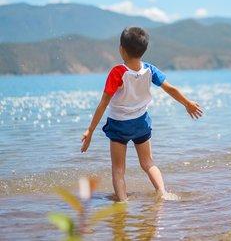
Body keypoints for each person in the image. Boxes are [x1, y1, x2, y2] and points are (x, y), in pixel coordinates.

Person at [80, 27, 202, 200]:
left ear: (121, 49)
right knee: (148, 163)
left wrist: (90, 130)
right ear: (143, 50)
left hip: (119, 125)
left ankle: (122, 203)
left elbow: (103, 103)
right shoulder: (149, 69)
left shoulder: (118, 72)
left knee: (118, 169)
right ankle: (162, 192)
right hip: (141, 123)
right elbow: (170, 89)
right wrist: (187, 103)